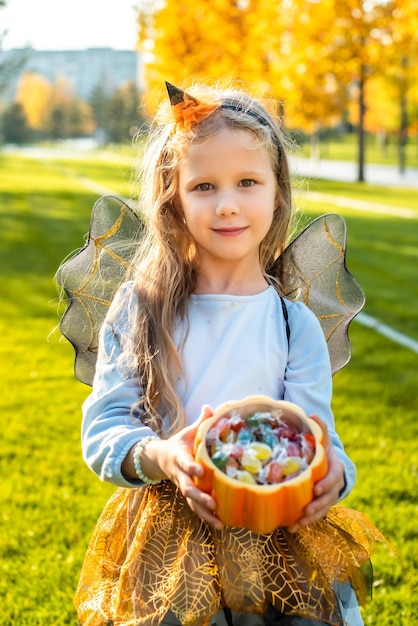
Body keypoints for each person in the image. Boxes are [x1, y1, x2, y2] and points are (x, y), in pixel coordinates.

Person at [74, 81, 385, 626]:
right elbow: (104, 428)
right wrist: (162, 456)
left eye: (247, 182)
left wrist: (336, 473)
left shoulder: (295, 325)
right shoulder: (142, 309)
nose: (227, 204)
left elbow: (318, 436)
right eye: (203, 186)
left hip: (279, 530)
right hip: (171, 539)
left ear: (276, 192)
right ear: (173, 199)